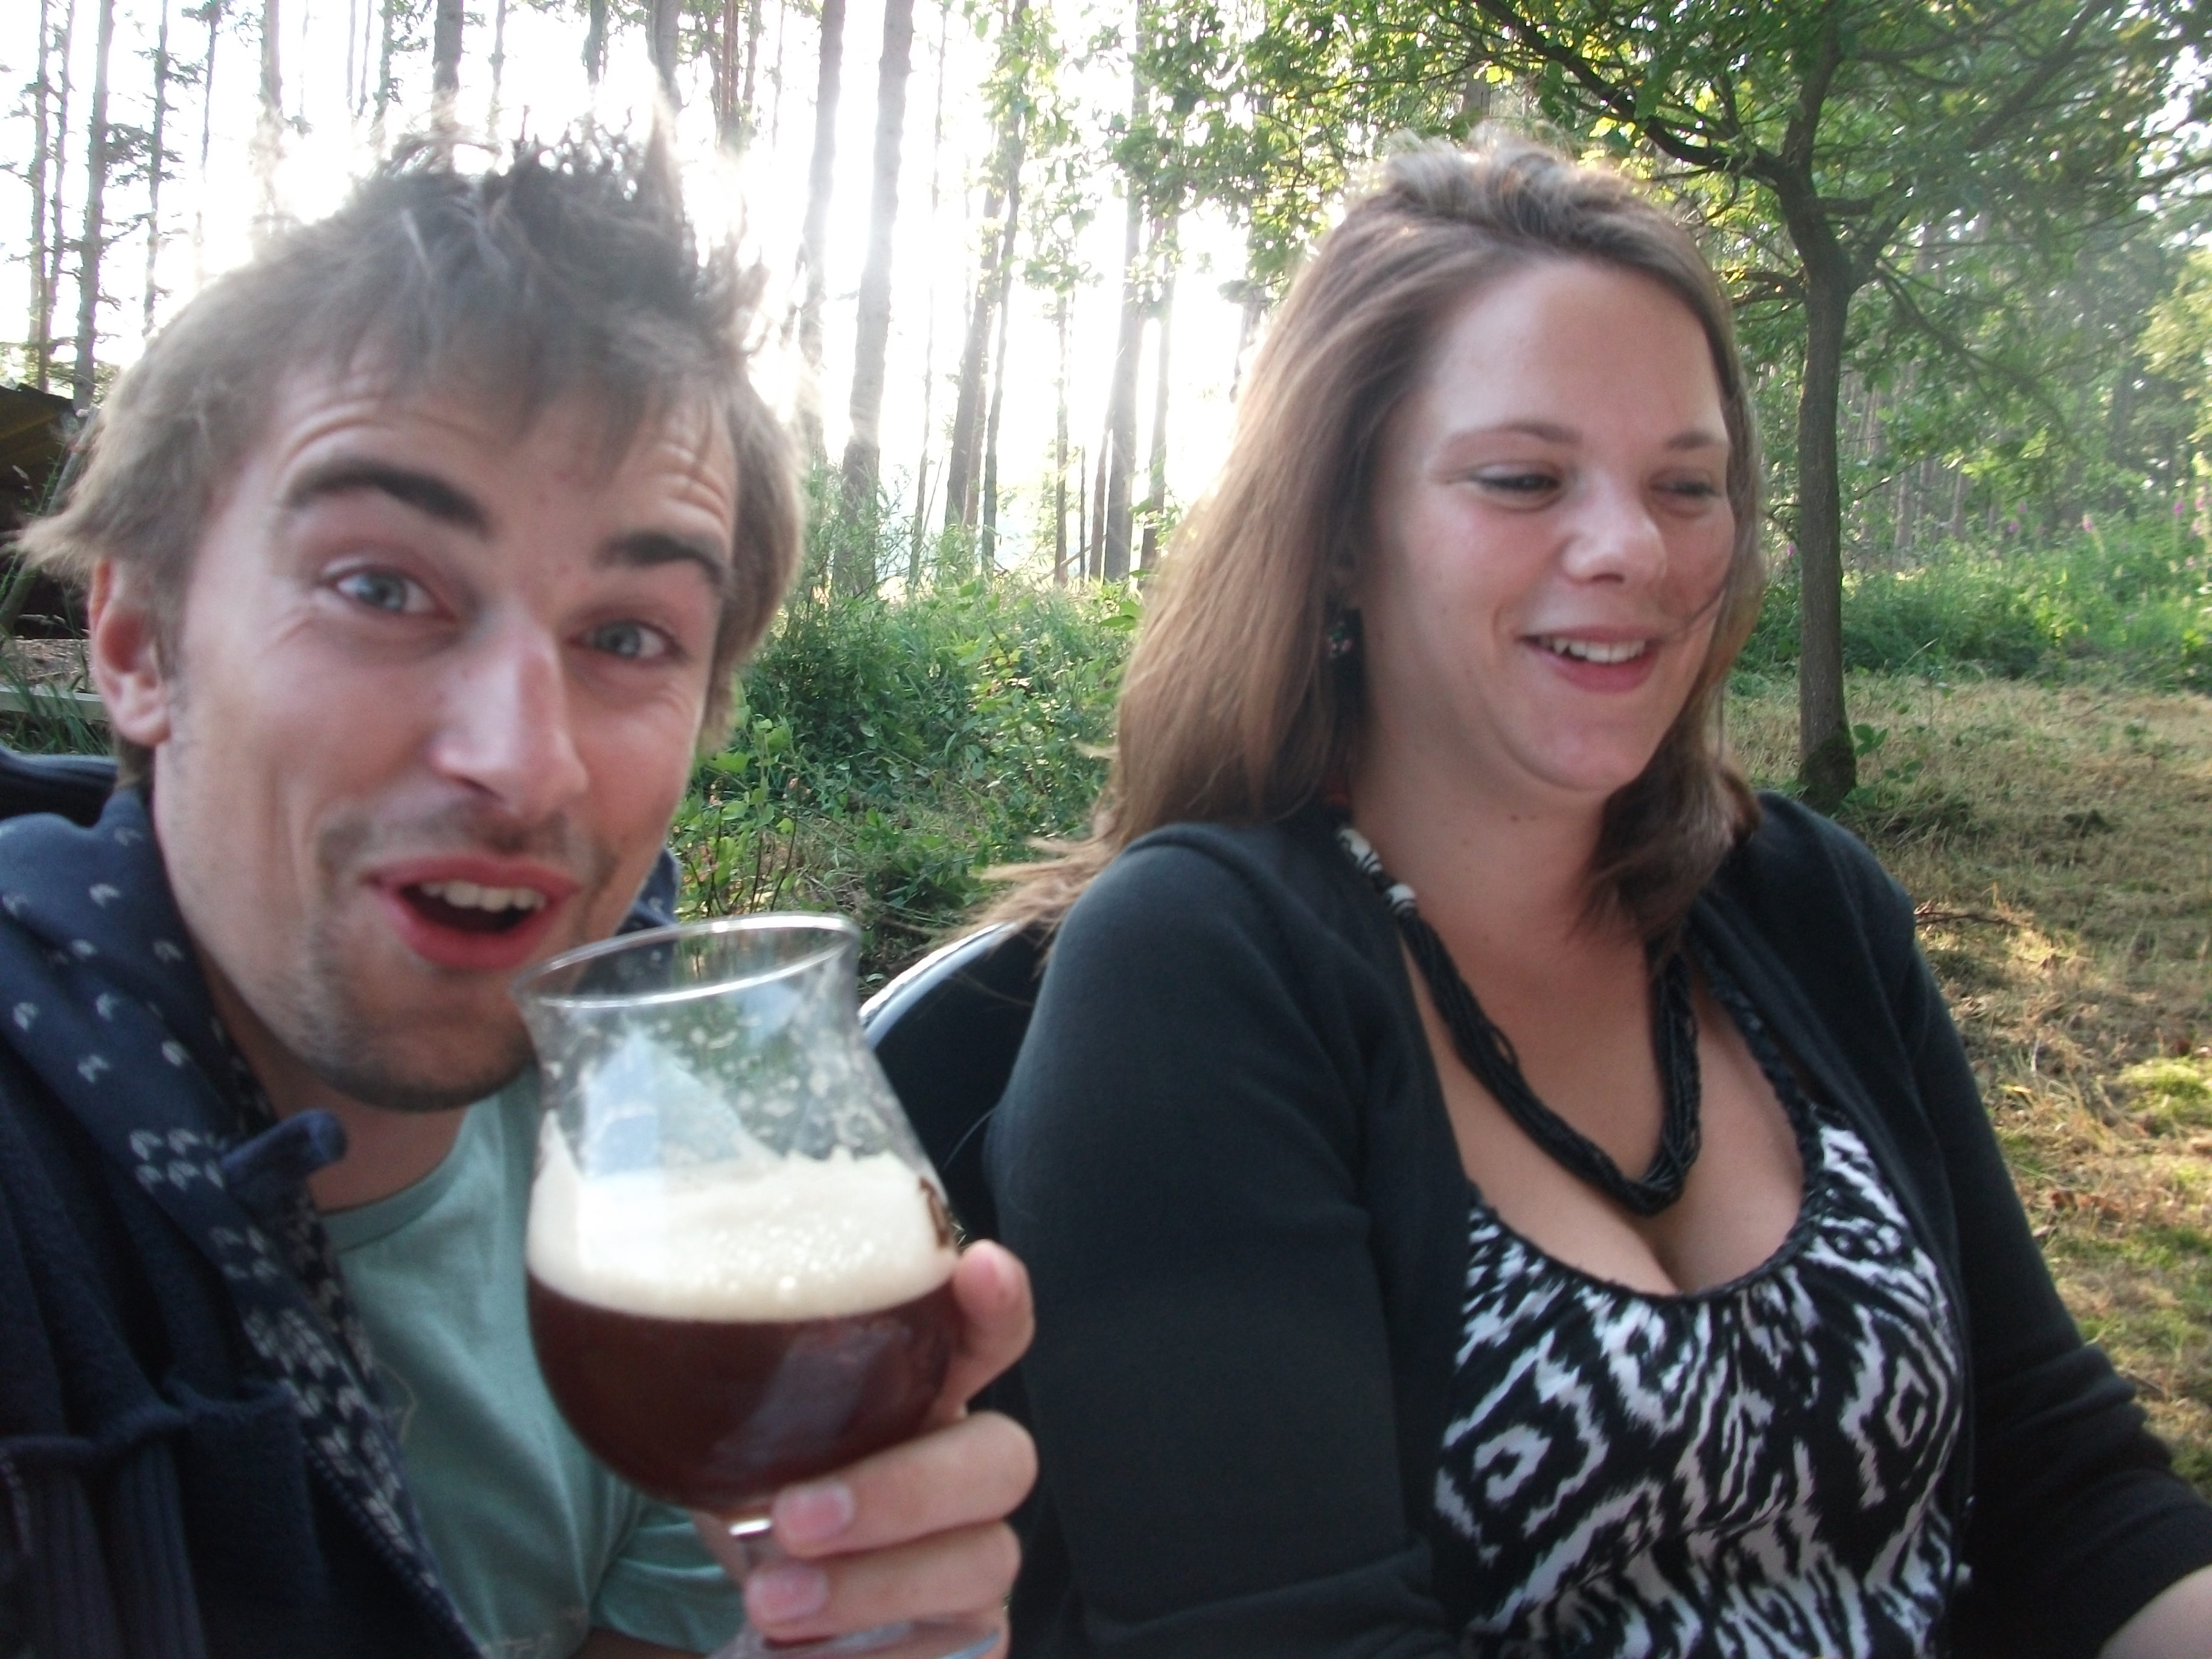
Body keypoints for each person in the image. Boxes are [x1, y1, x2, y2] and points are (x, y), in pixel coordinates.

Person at [982, 138, 2212, 1659]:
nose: (1632, 547)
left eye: (1685, 485)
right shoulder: (1192, 977)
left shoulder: (1804, 905)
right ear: (1340, 535)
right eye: (1522, 479)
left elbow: (2067, 1496)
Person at [0, 133, 1034, 1658]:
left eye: (626, 637)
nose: (524, 759)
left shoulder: (682, 1168)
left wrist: (826, 1623)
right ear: (140, 645)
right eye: (380, 587)